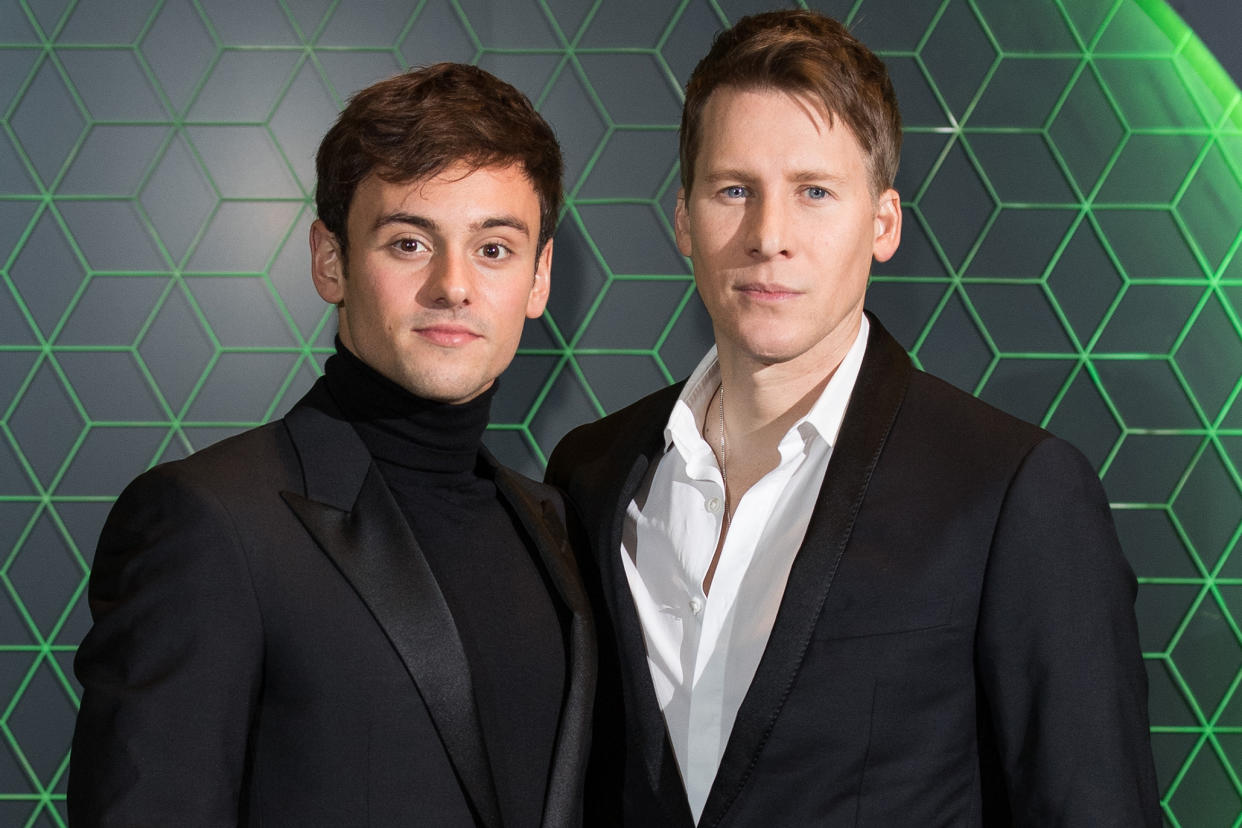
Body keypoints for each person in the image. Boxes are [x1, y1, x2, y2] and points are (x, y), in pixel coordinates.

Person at [545, 10, 1159, 826]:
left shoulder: (1013, 490)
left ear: (883, 224)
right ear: (684, 220)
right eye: (735, 190)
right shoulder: (589, 472)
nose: (769, 237)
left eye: (815, 193)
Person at [69, 62, 594, 828]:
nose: (454, 285)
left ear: (539, 277)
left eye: (494, 248)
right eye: (410, 242)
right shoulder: (211, 524)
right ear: (329, 260)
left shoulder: (553, 523)